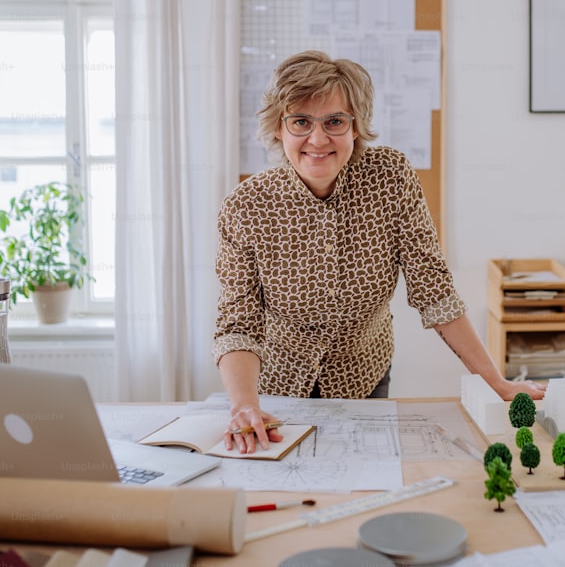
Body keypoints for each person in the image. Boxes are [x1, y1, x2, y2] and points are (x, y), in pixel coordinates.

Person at [213, 51, 545, 453]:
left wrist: (497, 382)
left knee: (364, 473)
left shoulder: (390, 178)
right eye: (300, 121)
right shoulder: (247, 206)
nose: (318, 139)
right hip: (278, 388)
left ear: (356, 128)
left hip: (364, 375)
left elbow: (434, 290)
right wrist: (245, 404)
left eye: (335, 121)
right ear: (278, 129)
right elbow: (238, 323)